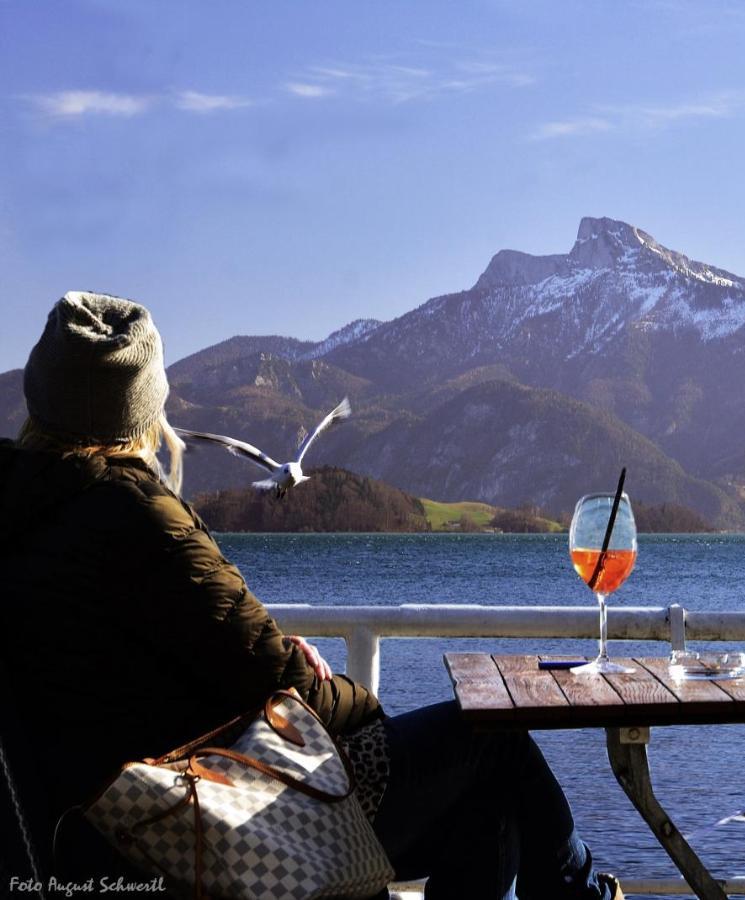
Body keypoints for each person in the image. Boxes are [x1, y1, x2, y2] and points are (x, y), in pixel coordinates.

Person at [0, 291, 621, 900]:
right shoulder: (135, 517)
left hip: (98, 827)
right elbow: (276, 677)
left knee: (488, 800)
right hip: (209, 823)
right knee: (494, 742)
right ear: (141, 413)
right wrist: (365, 705)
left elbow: (149, 661)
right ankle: (579, 893)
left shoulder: (27, 513)